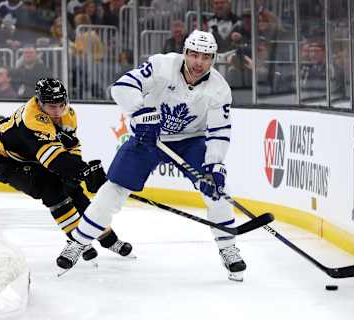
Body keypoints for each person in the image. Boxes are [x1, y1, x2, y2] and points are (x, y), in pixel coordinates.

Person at [56, 30, 247, 281]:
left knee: (217, 191)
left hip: (191, 141)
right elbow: (123, 86)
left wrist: (215, 163)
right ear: (185, 53)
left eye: (206, 57)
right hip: (149, 138)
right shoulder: (162, 65)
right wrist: (141, 113)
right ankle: (79, 242)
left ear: (213, 59)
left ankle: (228, 248)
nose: (199, 62)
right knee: (113, 189)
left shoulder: (219, 89)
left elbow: (220, 129)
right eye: (194, 55)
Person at [0, 78, 133, 263]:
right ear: (40, 103)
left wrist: (80, 173)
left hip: (34, 157)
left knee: (74, 190)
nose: (58, 111)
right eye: (52, 106)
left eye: (62, 104)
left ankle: (109, 239)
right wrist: (82, 171)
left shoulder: (68, 114)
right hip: (8, 162)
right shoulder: (31, 119)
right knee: (52, 191)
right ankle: (78, 243)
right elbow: (52, 159)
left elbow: (70, 146)